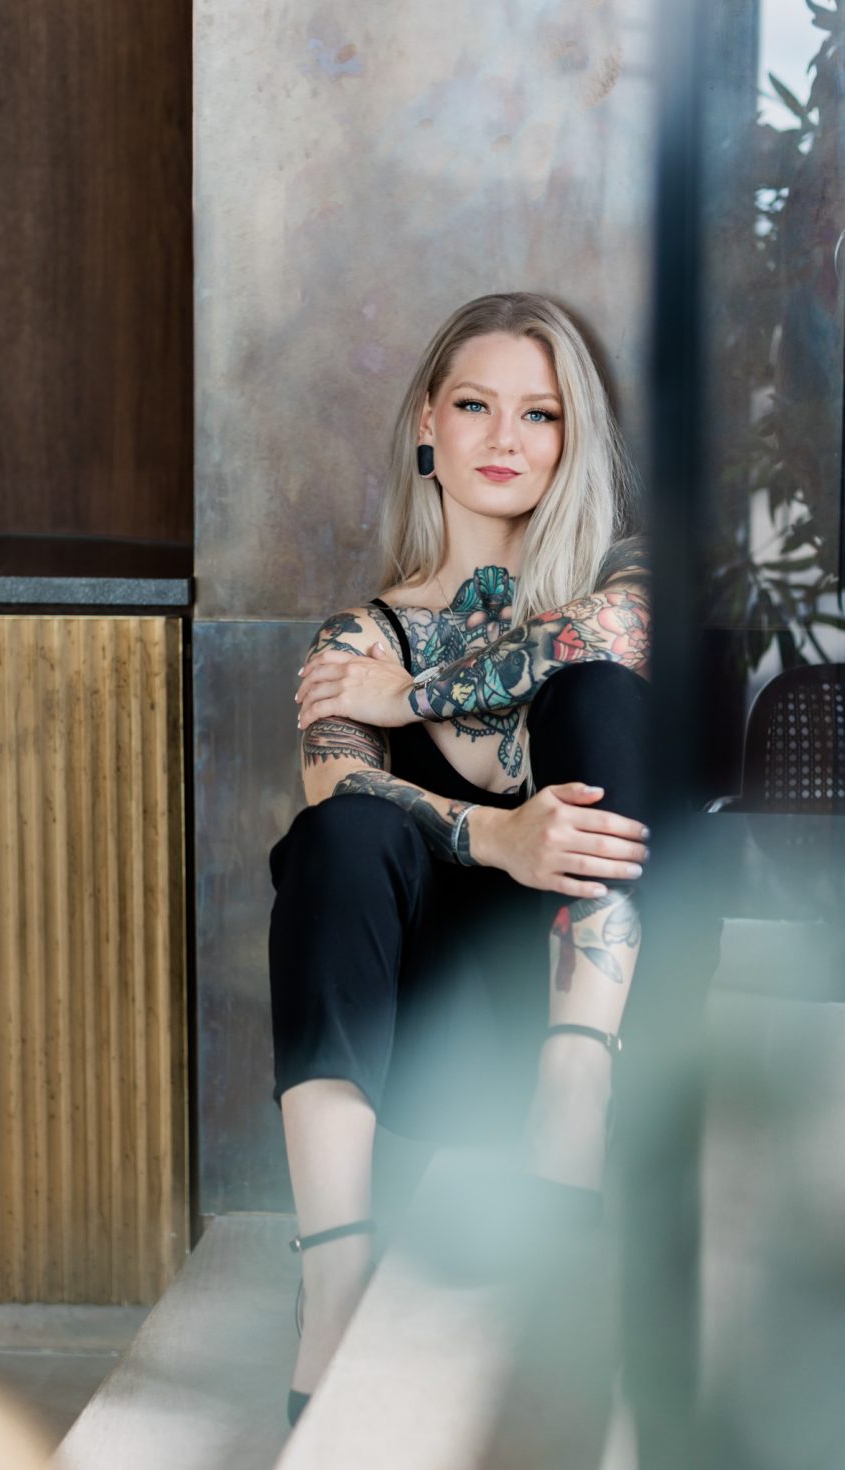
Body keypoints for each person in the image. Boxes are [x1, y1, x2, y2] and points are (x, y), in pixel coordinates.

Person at [268, 292, 651, 1424]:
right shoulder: (355, 640)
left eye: (540, 414)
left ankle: (571, 1109)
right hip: (434, 1021)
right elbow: (337, 786)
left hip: (591, 1002)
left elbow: (602, 638)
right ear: (428, 423)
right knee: (341, 832)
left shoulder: (624, 580)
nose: (504, 438)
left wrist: (410, 696)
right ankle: (333, 1276)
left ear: (570, 440)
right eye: (476, 405)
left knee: (595, 692)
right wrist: (498, 835)